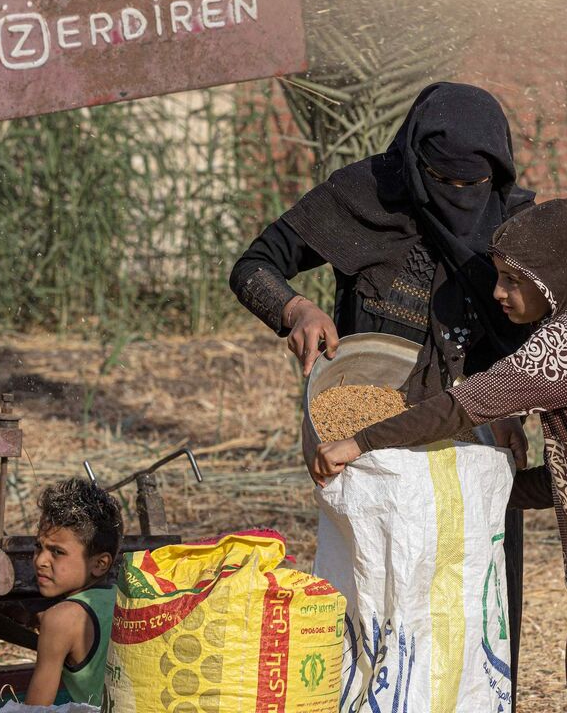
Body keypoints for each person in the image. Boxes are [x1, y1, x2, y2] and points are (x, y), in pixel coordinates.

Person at [313, 198, 567, 712]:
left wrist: (359, 441)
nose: (499, 293)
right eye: (498, 277)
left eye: (513, 281)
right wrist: (478, 492)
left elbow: (463, 406)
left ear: (556, 279)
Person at [228, 82, 536, 691]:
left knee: (474, 617)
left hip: (477, 449)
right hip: (372, 452)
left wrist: (511, 405)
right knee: (379, 613)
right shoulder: (365, 196)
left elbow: (540, 330)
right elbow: (253, 266)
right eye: (442, 182)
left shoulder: (515, 225)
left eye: (472, 187)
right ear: (414, 166)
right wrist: (296, 311)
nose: (458, 199)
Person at [24, 478, 123, 707]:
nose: (40, 561)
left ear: (100, 564)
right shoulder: (120, 597)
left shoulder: (61, 619)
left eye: (57, 552)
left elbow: (35, 710)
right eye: (39, 546)